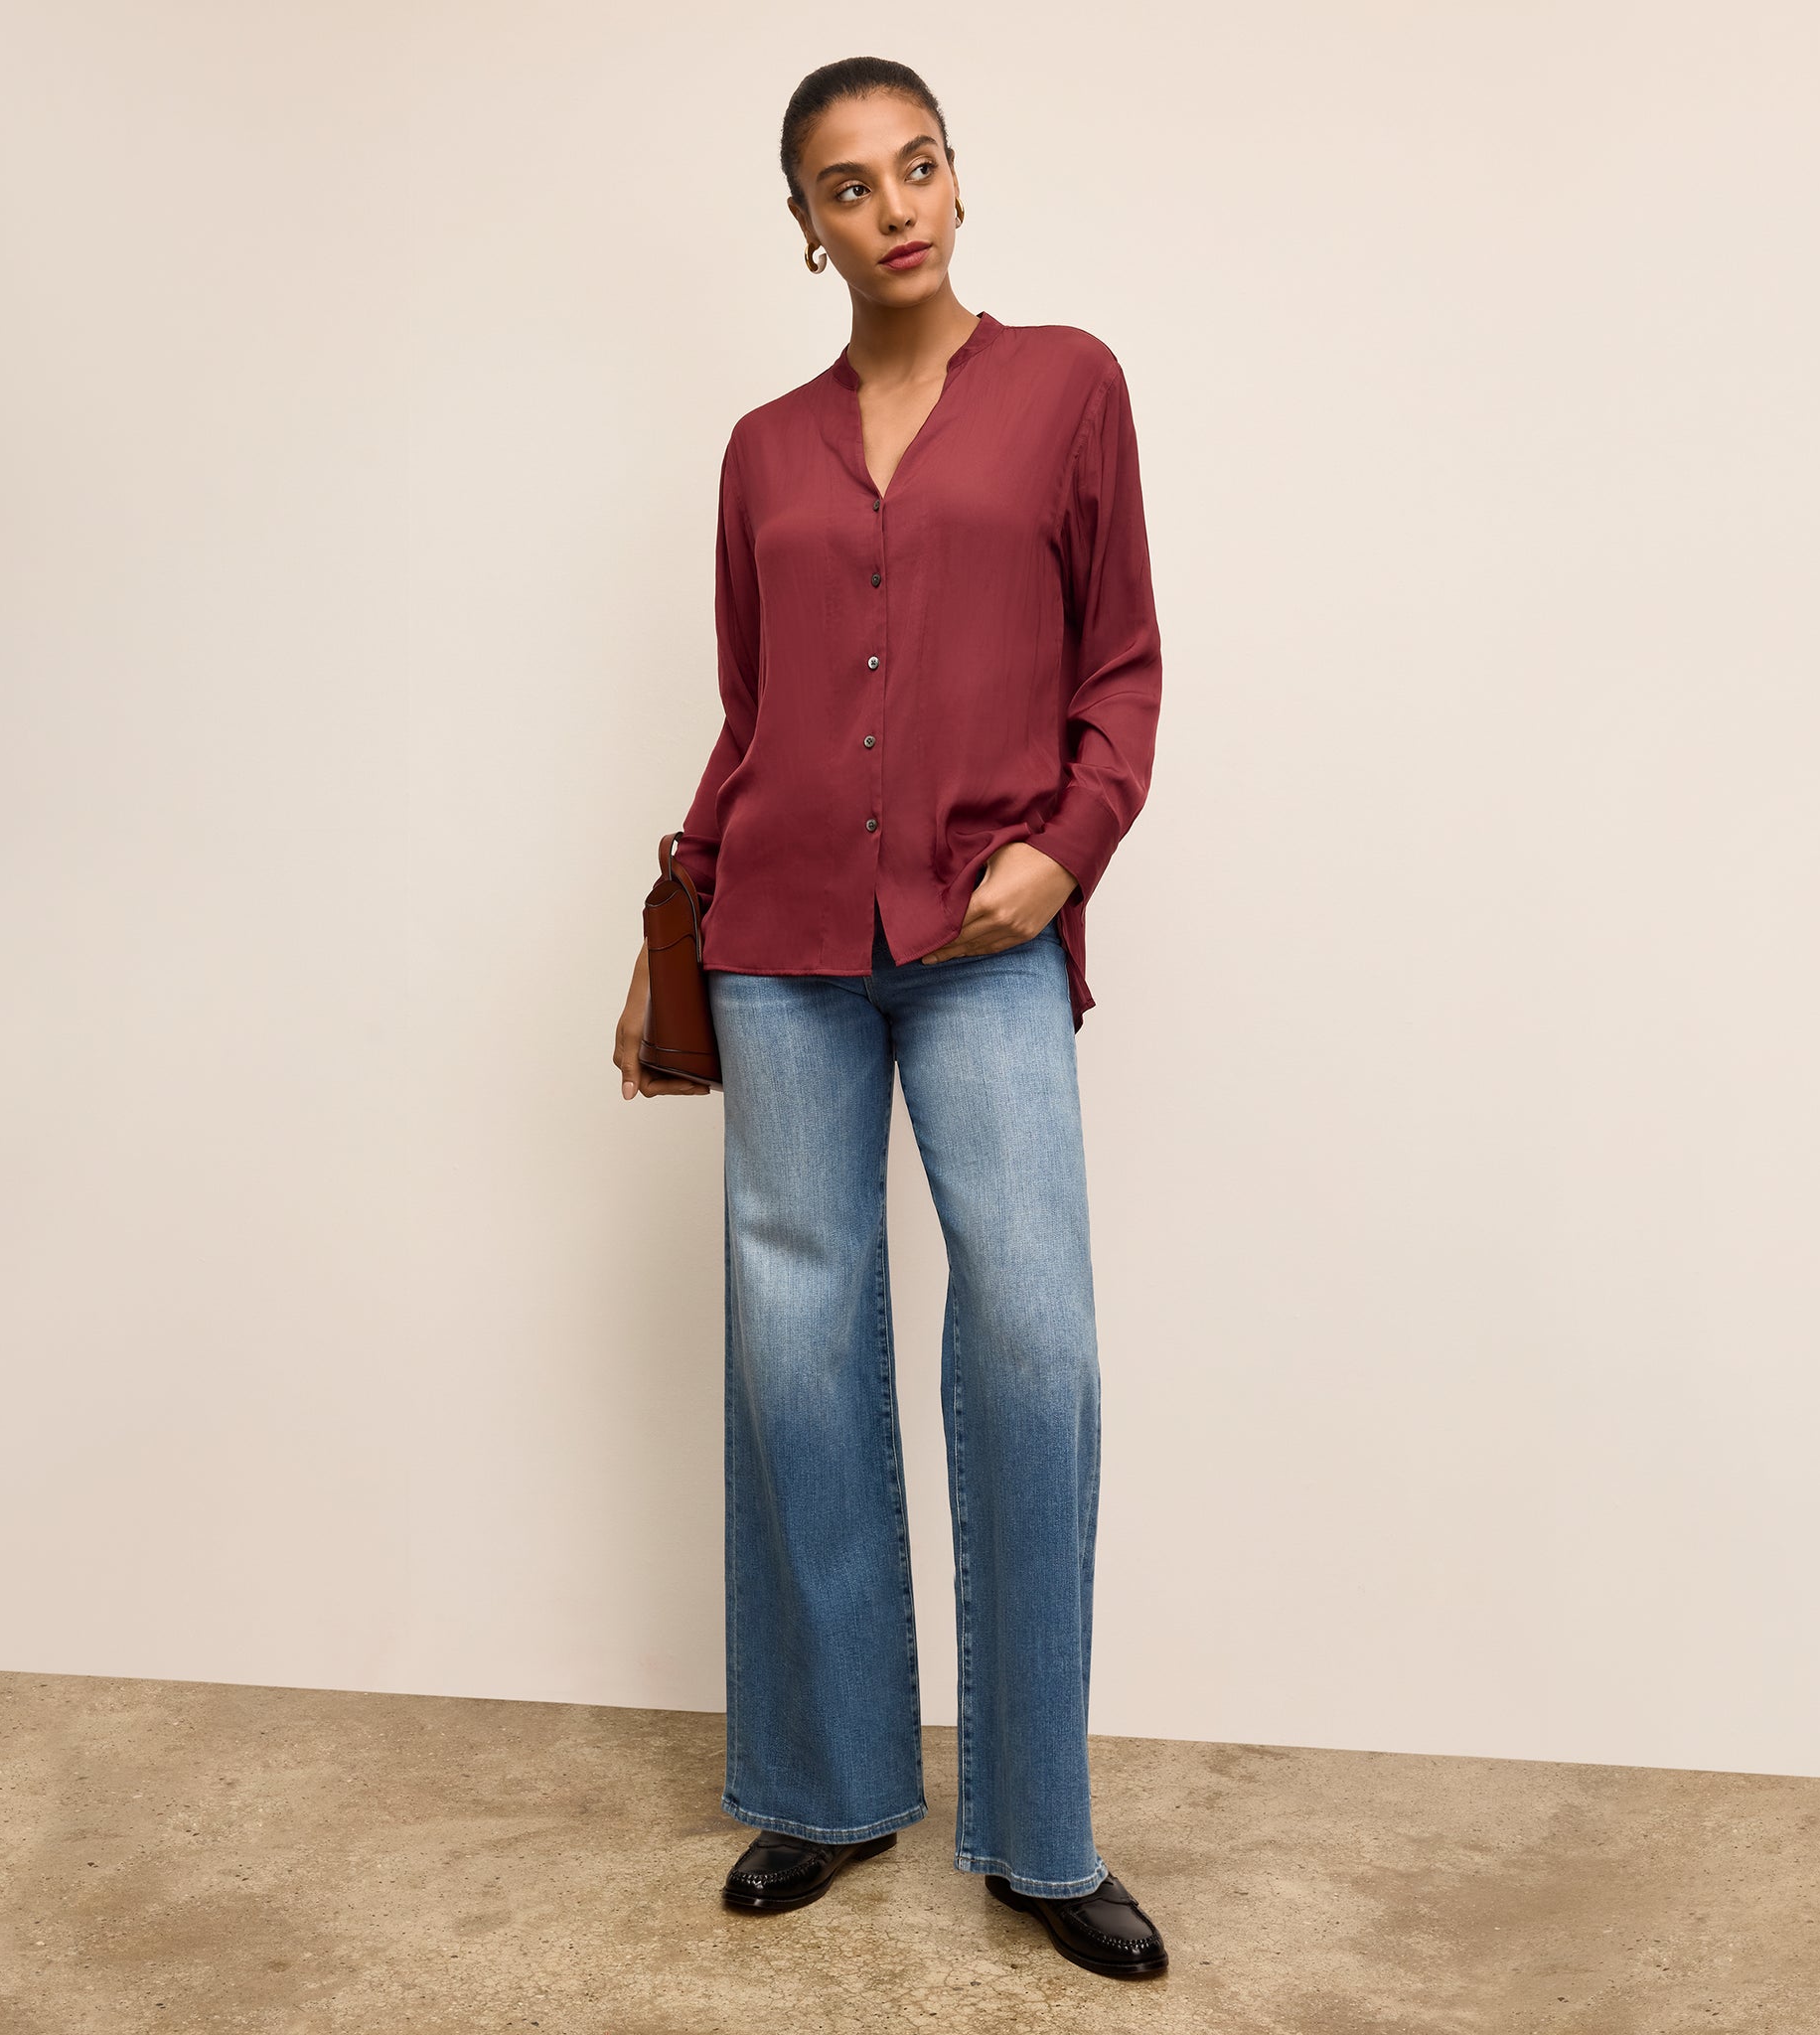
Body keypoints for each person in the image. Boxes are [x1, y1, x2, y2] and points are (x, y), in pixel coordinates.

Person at [612, 57, 1167, 1981]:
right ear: (804, 225)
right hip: (775, 935)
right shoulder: (762, 448)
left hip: (983, 926)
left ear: (954, 175)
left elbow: (1123, 669)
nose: (893, 207)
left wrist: (1068, 850)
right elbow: (755, 706)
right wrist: (677, 892)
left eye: (915, 165)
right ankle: (829, 1780)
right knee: (794, 1345)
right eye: (846, 187)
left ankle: (1036, 1824)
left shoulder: (1069, 387)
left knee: (1034, 1343)